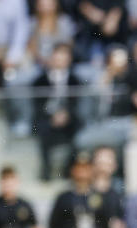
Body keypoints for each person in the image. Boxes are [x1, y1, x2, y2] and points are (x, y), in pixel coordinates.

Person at [33, 42, 83, 180]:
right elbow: (37, 104)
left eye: (64, 56)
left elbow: (77, 103)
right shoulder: (40, 80)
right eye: (57, 56)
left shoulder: (75, 80)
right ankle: (46, 170)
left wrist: (66, 113)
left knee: (78, 131)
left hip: (69, 118)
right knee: (42, 129)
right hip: (47, 117)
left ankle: (69, 169)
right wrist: (52, 115)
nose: (60, 59)